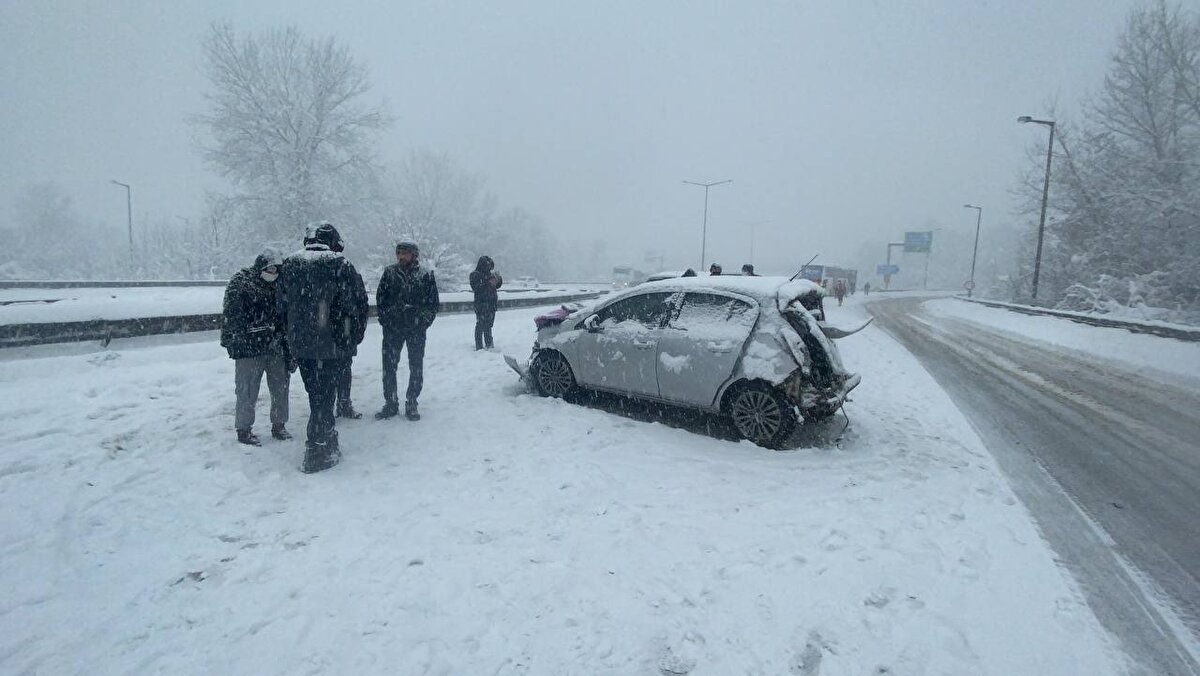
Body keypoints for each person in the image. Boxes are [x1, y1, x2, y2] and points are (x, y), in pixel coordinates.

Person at [278, 222, 368, 474]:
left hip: (302, 345)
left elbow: (280, 306)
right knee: (324, 397)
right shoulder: (341, 265)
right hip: (332, 346)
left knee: (316, 395)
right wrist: (351, 340)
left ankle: (324, 440)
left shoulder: (291, 265)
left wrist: (291, 337)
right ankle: (318, 448)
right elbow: (358, 305)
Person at [220, 249, 293, 446]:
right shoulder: (242, 283)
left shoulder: (282, 284)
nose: (273, 272)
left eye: (276, 269)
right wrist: (234, 341)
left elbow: (287, 315)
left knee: (281, 387)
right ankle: (243, 429)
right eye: (270, 268)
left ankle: (279, 424)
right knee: (246, 389)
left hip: (276, 345)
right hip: (249, 348)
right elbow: (232, 316)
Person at [376, 241, 440, 421]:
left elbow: (432, 304)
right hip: (393, 329)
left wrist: (423, 322)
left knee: (416, 366)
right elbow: (381, 300)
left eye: (405, 253)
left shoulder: (426, 275)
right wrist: (387, 320)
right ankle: (391, 402)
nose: (401, 257)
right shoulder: (389, 273)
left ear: (414, 255)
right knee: (389, 366)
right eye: (399, 253)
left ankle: (412, 401)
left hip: (416, 329)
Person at [335, 264, 369, 419]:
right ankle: (342, 403)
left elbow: (362, 303)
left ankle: (342, 403)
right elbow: (362, 303)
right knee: (342, 369)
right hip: (344, 328)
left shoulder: (349, 276)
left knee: (343, 368)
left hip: (343, 329)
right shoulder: (350, 274)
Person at [469, 255, 502, 350]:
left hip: (491, 304)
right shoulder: (475, 274)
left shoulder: (489, 275)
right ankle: (479, 346)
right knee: (480, 324)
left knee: (488, 325)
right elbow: (477, 288)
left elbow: (497, 285)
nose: (490, 268)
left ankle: (489, 344)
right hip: (481, 304)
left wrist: (497, 279)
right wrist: (488, 282)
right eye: (488, 266)